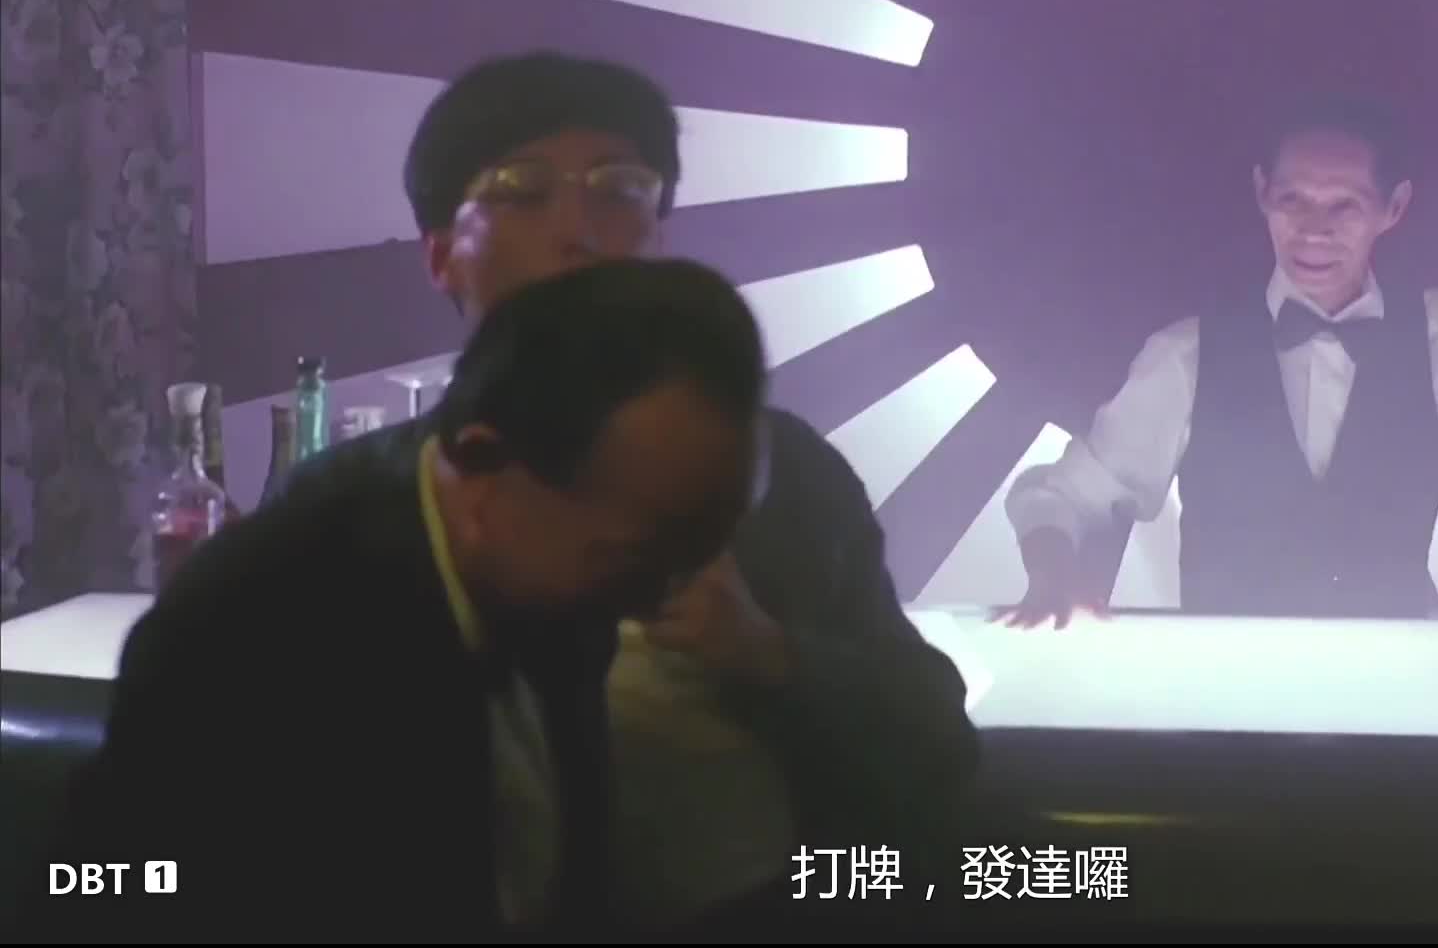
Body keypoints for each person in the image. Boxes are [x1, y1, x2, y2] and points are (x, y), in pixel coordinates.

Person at [293, 52, 977, 931]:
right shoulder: (342, 510)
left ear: (658, 239)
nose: (579, 233)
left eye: (620, 191)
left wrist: (768, 653)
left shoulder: (785, 474)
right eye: (521, 191)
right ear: (441, 256)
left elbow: (936, 747)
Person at [35, 259, 770, 939]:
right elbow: (98, 884)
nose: (655, 600)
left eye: (690, 552)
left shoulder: (558, 589)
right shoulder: (255, 622)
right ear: (482, 466)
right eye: (631, 560)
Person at [1000, 93, 1438, 626]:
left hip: (1404, 701)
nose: (1314, 229)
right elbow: (1061, 498)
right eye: (1293, 200)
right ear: (1262, 193)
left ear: (1393, 209)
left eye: (1344, 206)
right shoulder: (1186, 354)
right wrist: (1054, 579)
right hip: (1220, 697)